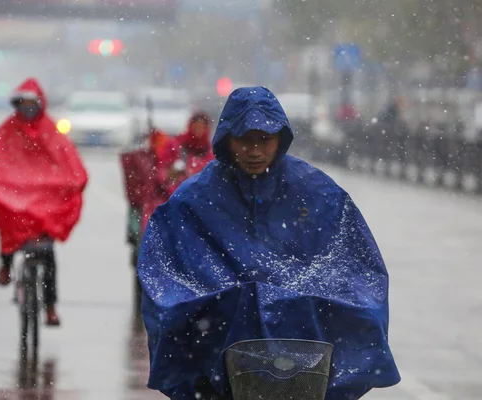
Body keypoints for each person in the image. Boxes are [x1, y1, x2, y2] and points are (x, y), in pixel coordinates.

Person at [138, 87, 401, 399]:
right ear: (227, 139)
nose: (254, 150)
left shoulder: (316, 192)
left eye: (264, 139)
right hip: (218, 365)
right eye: (244, 139)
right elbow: (167, 271)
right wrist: (230, 301)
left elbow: (354, 266)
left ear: (281, 139)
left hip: (302, 366)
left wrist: (298, 299)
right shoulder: (195, 199)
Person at [0, 77, 88, 326]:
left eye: (31, 103)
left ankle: (50, 306)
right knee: (8, 221)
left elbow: (68, 161)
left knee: (47, 255)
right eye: (22, 104)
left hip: (45, 197)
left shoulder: (51, 130)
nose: (27, 108)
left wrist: (71, 181)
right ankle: (5, 264)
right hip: (14, 192)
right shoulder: (7, 129)